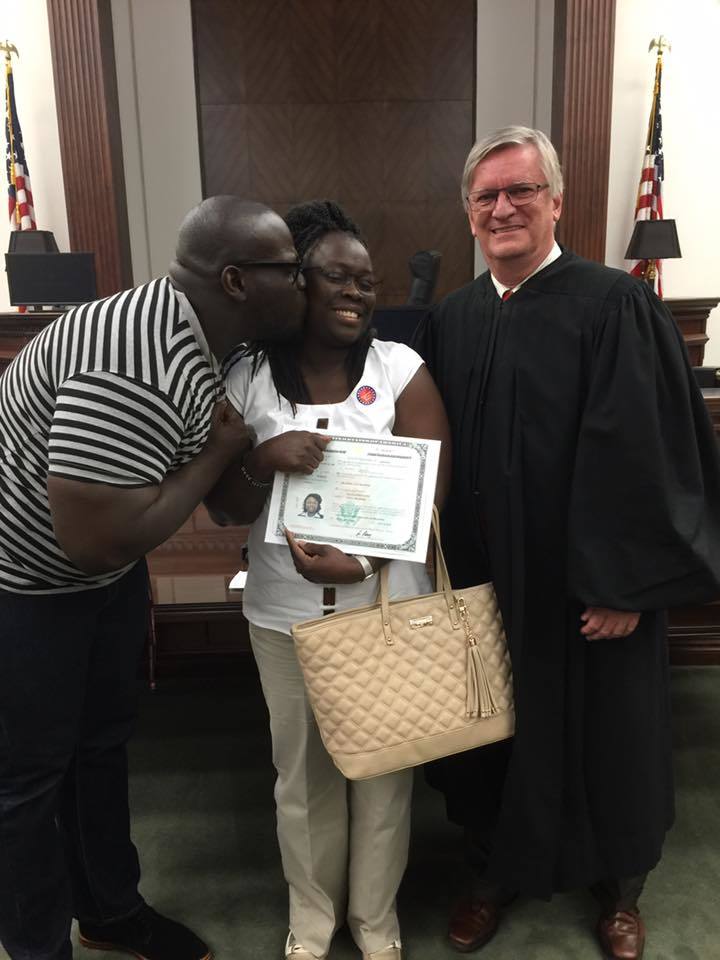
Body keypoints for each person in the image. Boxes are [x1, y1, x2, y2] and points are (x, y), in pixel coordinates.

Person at [412, 126, 720, 960]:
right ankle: (494, 872)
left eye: (520, 191)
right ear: (469, 213)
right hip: (489, 583)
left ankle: (620, 888)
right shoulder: (457, 318)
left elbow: (647, 453)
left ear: (556, 200)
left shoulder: (614, 304)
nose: (503, 208)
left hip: (589, 588)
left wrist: (624, 585)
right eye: (486, 197)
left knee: (606, 733)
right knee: (492, 731)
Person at [0, 197, 307, 960]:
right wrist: (216, 454)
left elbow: (227, 503)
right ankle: (38, 949)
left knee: (99, 746)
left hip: (99, 582)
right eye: (291, 272)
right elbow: (93, 542)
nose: (304, 284)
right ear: (236, 280)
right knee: (28, 780)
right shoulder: (132, 362)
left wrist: (257, 457)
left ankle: (107, 911)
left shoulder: (213, 342)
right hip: (25, 588)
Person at [208, 199, 451, 960]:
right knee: (304, 782)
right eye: (336, 277)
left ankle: (375, 922)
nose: (356, 292)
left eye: (367, 281)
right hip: (284, 617)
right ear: (297, 285)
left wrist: (370, 559)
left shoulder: (399, 369)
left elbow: (430, 492)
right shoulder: (248, 376)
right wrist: (262, 457)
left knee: (383, 779)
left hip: (384, 611)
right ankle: (313, 922)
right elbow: (223, 505)